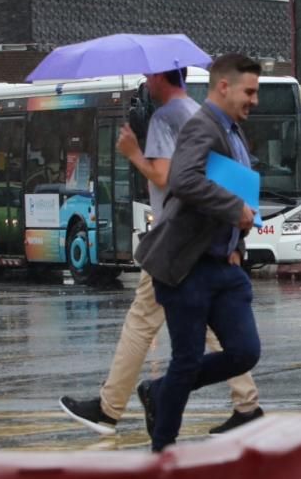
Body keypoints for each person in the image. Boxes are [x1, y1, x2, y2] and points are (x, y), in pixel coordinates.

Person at [59, 69, 262, 437]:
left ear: (157, 76)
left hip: (174, 241)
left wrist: (133, 153)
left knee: (141, 324)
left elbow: (169, 178)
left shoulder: (165, 118)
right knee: (215, 329)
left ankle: (111, 409)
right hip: (202, 242)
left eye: (148, 75)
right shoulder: (198, 112)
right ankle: (246, 403)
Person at [133, 53, 263, 452]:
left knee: (244, 351)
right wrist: (234, 209)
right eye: (249, 91)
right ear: (223, 87)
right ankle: (163, 450)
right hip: (188, 266)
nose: (254, 101)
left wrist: (237, 244)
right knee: (187, 360)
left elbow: (235, 188)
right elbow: (184, 180)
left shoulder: (233, 130)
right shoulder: (201, 126)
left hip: (222, 266)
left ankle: (159, 391)